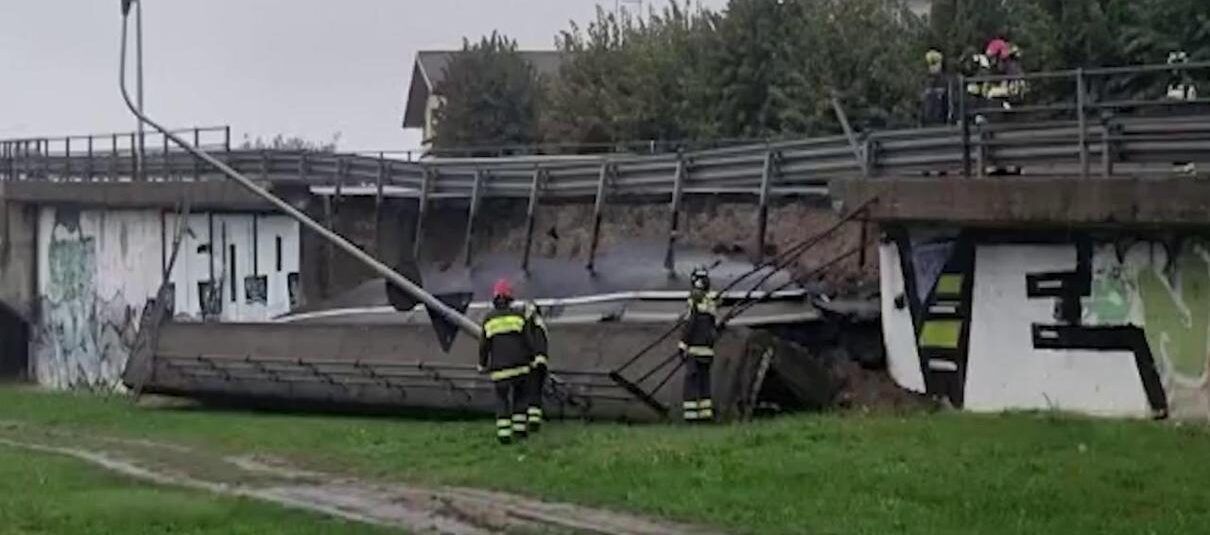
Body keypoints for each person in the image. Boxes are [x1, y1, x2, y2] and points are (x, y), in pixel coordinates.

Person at [479, 278, 534, 444]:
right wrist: (531, 359)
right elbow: (528, 341)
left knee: (502, 399)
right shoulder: (518, 316)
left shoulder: (489, 319)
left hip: (500, 370)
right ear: (510, 299)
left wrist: (482, 364)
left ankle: (504, 434)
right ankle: (520, 431)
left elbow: (484, 346)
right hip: (520, 367)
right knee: (520, 399)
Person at [679, 268, 719, 423]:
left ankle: (691, 416)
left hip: (694, 351)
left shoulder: (693, 302)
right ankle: (705, 415)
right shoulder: (711, 303)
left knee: (691, 382)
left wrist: (682, 345)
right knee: (704, 382)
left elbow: (690, 325)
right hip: (708, 352)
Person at [522, 300, 549, 433]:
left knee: (530, 392)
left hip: (532, 363)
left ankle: (531, 421)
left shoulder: (529, 324)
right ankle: (535, 420)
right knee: (536, 392)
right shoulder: (541, 324)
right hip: (541, 362)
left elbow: (529, 343)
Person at [921, 49, 951, 126]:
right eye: (930, 64)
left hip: (943, 123)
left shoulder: (947, 80)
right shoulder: (924, 81)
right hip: (927, 123)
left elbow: (950, 102)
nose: (932, 67)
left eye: (935, 64)